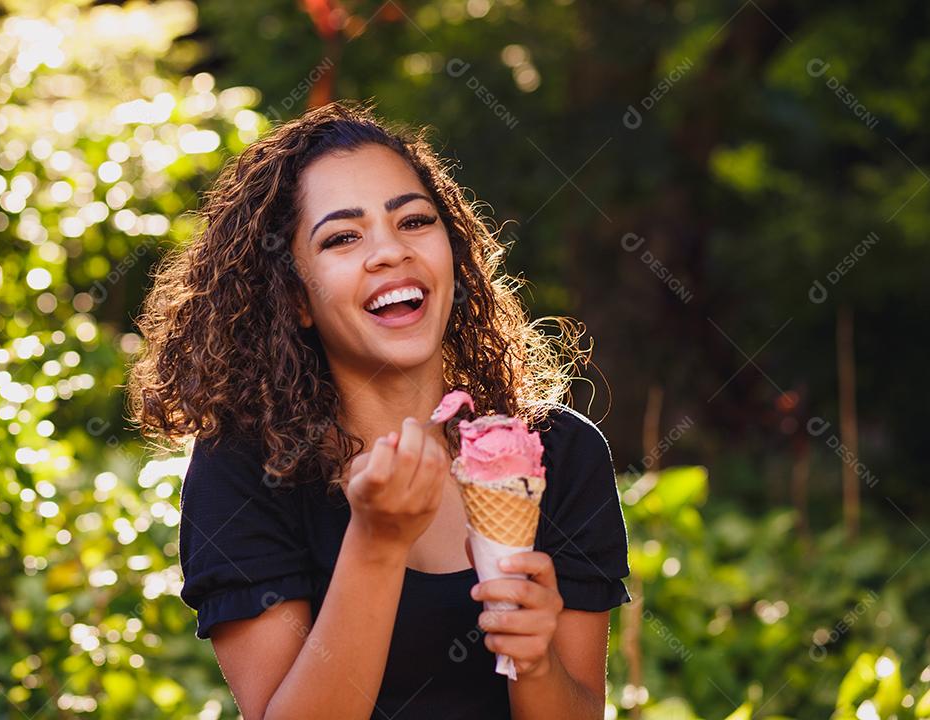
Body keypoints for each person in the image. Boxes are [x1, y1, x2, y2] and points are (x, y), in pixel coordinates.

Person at [126, 99, 631, 720]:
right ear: (296, 298)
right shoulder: (245, 470)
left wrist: (534, 661)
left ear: (455, 254)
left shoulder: (558, 452)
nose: (389, 252)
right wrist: (377, 543)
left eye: (414, 221)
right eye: (342, 237)